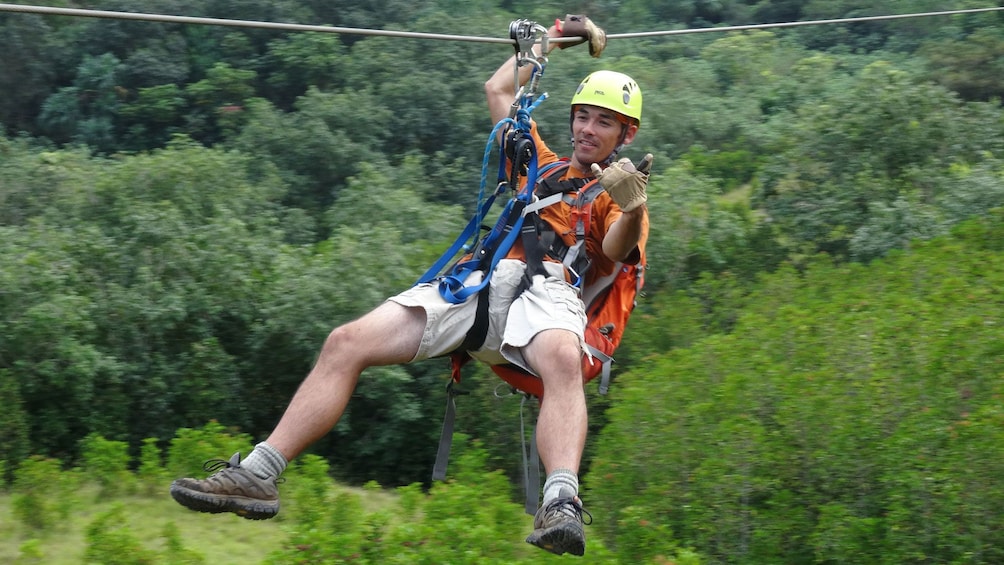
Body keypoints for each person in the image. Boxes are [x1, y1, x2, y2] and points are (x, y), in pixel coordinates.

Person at [170, 15, 652, 558]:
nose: (587, 129)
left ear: (625, 135)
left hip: (548, 295)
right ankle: (258, 473)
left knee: (563, 359)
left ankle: (560, 501)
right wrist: (550, 41)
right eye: (582, 117)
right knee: (346, 342)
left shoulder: (619, 192)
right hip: (481, 280)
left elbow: (615, 251)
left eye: (603, 123)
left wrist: (631, 203)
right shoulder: (537, 164)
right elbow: (498, 89)